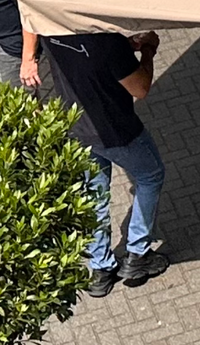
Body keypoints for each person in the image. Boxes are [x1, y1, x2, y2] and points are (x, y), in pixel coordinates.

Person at [45, 28, 170, 297]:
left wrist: (128, 46)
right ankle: (138, 254)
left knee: (94, 193)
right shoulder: (108, 43)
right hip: (116, 130)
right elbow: (141, 87)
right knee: (151, 175)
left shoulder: (50, 30)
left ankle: (100, 268)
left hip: (75, 126)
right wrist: (147, 50)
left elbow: (83, 58)